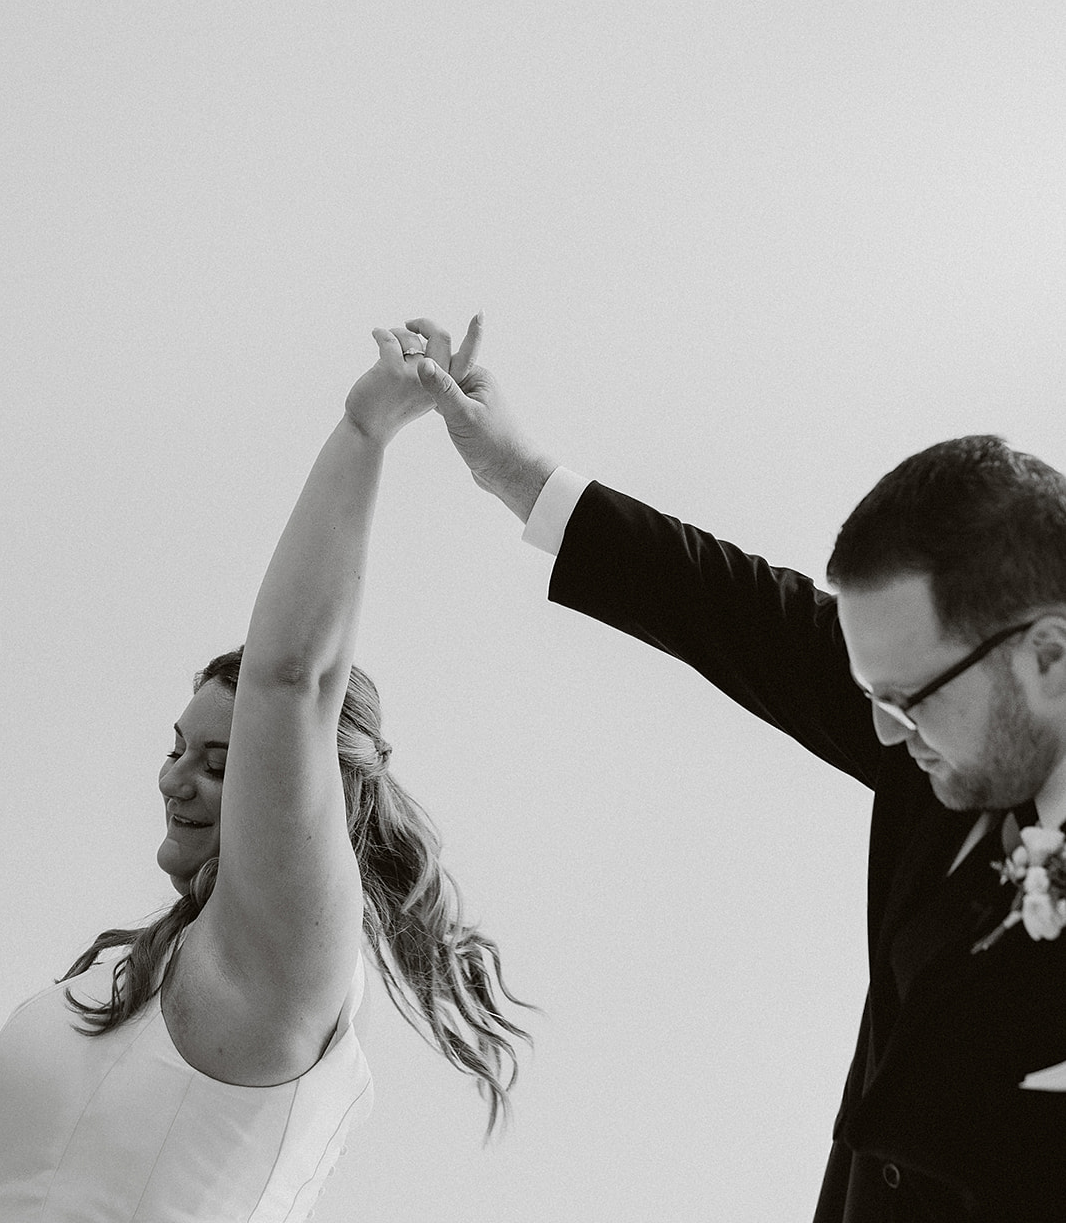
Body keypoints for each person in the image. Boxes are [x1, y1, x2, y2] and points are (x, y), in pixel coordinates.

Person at [409, 314, 1066, 1223]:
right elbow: (727, 605)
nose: (881, 734)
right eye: (867, 694)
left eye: (906, 699)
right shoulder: (943, 738)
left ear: (1047, 655)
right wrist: (516, 475)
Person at [0, 316, 533, 1223]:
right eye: (176, 750)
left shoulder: (282, 961)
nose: (175, 781)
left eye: (221, 762)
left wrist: (365, 429)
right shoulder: (152, 967)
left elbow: (291, 681)